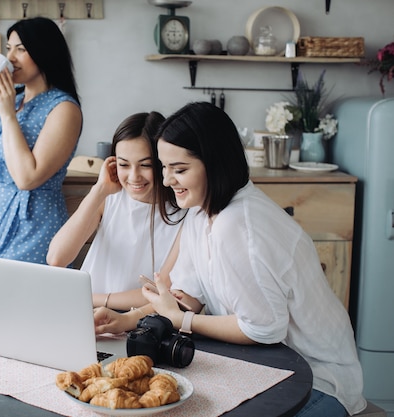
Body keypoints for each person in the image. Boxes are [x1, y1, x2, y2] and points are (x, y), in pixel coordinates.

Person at [96, 102, 366, 417]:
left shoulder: (239, 223)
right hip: (265, 367)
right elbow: (188, 295)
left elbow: (264, 329)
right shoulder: (200, 211)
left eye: (179, 169)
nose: (167, 180)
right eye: (164, 167)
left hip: (317, 382)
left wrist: (182, 320)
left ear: (214, 163)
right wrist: (128, 320)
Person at [0, 17, 83, 328]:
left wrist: (7, 111)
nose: (10, 58)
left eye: (21, 49)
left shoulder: (64, 109)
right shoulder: (13, 100)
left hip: (33, 224)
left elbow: (27, 177)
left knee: (17, 319)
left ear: (45, 52)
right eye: (8, 48)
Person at [47, 112, 185, 310]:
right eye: (123, 165)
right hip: (85, 313)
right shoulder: (109, 198)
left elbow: (160, 292)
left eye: (145, 165)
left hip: (135, 322)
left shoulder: (182, 213)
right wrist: (99, 190)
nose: (134, 176)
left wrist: (92, 299)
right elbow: (56, 258)